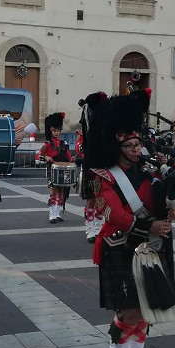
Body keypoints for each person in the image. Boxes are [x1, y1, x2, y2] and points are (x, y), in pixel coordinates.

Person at [88, 93, 175, 348]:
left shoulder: (150, 171)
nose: (136, 149)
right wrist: (149, 224)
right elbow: (114, 213)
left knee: (149, 309)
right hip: (121, 246)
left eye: (137, 143)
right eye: (129, 145)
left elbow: (164, 201)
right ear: (116, 146)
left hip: (153, 245)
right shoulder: (102, 176)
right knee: (129, 310)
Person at [78, 92, 108, 241]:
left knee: (102, 199)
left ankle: (98, 226)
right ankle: (90, 228)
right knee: (90, 199)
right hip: (90, 163)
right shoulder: (88, 121)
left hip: (103, 163)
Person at [39, 112, 73, 224]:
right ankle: (52, 215)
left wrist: (72, 159)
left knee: (61, 192)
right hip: (51, 171)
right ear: (51, 131)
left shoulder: (64, 143)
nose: (57, 132)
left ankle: (57, 213)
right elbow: (38, 155)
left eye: (58, 130)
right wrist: (46, 156)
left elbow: (68, 157)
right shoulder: (47, 144)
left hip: (63, 171)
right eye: (54, 130)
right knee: (53, 193)